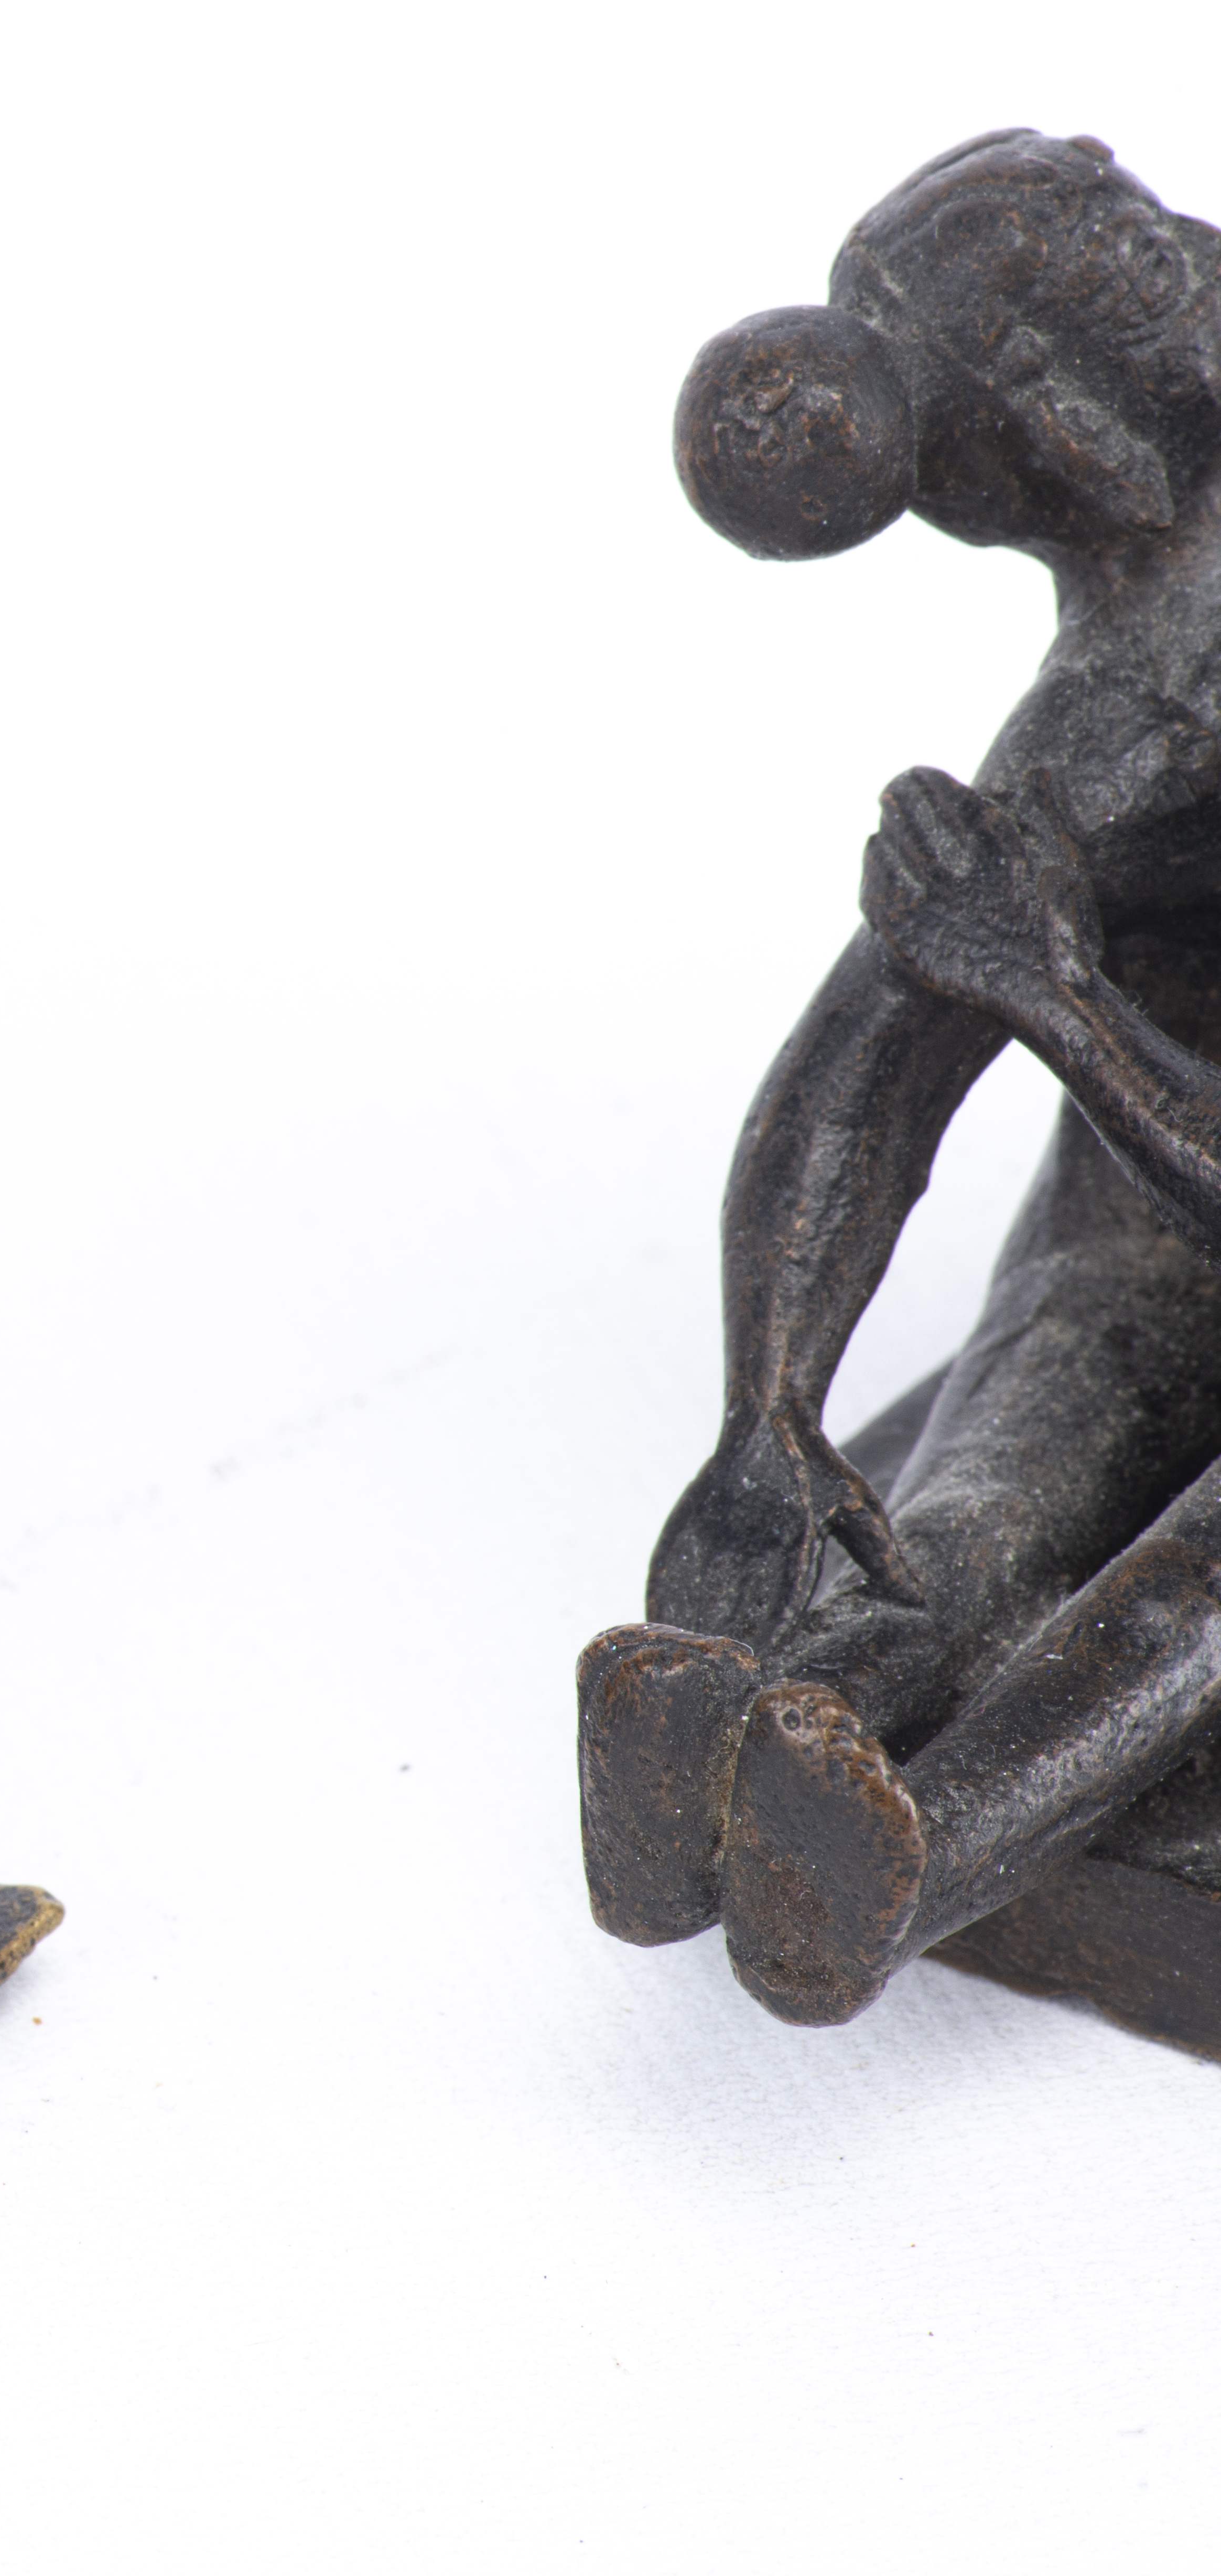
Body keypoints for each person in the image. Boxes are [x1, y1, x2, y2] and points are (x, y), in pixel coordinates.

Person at [584, 132, 1221, 2022]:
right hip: (1157, 1206)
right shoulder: (1124, 693)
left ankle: (912, 1841)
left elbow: (957, 1009)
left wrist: (1064, 1006)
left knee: (1184, 1575)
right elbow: (871, 1051)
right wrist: (770, 1414)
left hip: (1171, 1154)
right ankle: (801, 1747)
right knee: (998, 1479)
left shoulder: (1139, 681)